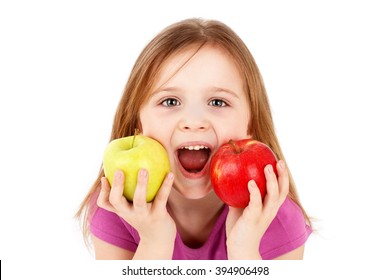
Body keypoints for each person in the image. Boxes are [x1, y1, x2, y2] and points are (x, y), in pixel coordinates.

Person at [76, 18, 312, 260]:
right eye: (170, 101)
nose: (194, 120)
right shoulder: (117, 207)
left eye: (218, 102)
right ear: (138, 122)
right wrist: (155, 241)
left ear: (250, 123)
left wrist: (244, 250)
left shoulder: (277, 220)